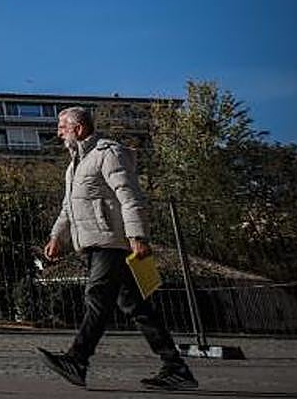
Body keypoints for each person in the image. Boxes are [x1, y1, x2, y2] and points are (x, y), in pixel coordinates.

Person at [38, 106, 197, 390]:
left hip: (111, 242)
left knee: (97, 296)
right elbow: (68, 207)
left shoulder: (108, 153)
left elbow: (130, 195)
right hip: (92, 243)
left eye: (62, 126)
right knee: (136, 306)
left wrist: (138, 235)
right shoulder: (74, 165)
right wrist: (56, 237)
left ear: (79, 128)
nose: (58, 132)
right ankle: (176, 367)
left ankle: (77, 359)